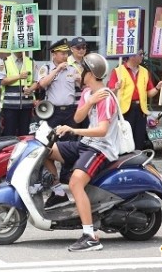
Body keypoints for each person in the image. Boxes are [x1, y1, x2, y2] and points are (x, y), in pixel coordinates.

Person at [42, 53, 118, 252]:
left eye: (82, 69)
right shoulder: (88, 93)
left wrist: (74, 131)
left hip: (101, 148)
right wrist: (90, 101)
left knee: (76, 182)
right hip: (86, 143)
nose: (79, 72)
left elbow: (101, 131)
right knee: (45, 151)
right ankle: (58, 192)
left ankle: (90, 236)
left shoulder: (107, 97)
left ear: (90, 73)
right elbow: (77, 117)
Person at [107, 49, 162, 150]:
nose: (142, 56)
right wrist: (116, 88)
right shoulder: (118, 71)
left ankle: (138, 160)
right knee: (125, 139)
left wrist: (158, 87)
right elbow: (110, 92)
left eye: (143, 54)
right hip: (125, 111)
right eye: (140, 54)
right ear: (131, 55)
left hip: (140, 109)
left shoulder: (144, 71)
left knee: (139, 138)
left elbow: (150, 93)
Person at [37, 38, 81, 142]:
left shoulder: (72, 69)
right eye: (62, 54)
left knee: (69, 141)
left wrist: (80, 79)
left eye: (66, 53)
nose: (66, 56)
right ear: (54, 54)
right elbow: (42, 84)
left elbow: (82, 86)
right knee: (51, 141)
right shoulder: (46, 68)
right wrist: (57, 70)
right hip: (53, 111)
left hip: (70, 111)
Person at [0, 50, 38, 136]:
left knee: (25, 134)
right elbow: (2, 81)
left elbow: (36, 81)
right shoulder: (4, 61)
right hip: (10, 105)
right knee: (9, 133)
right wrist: (19, 76)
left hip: (27, 105)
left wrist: (30, 89)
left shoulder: (31, 61)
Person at [68, 36, 89, 128]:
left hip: (87, 103)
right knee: (72, 133)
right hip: (71, 104)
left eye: (83, 47)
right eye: (78, 47)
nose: (81, 50)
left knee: (87, 133)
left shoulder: (89, 62)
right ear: (72, 49)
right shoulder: (66, 62)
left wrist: (82, 81)